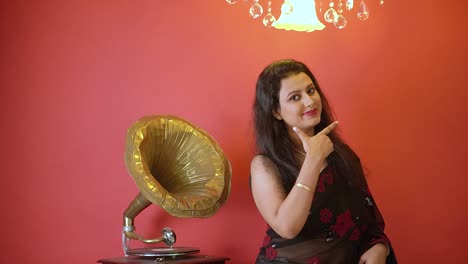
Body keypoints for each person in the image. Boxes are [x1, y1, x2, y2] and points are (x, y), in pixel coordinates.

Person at [250, 59, 397, 264]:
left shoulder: (341, 154)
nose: (309, 102)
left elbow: (367, 217)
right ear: (276, 111)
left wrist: (380, 246)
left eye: (311, 91)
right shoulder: (264, 165)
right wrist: (313, 159)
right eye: (295, 97)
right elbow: (287, 227)